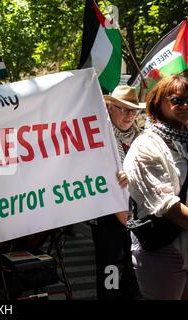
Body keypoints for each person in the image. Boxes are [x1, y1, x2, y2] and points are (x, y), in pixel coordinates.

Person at [124, 73, 188, 300]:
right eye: (177, 100)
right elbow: (166, 206)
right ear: (158, 103)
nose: (185, 105)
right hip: (163, 249)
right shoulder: (146, 145)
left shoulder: (185, 141)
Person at [89, 85, 143, 300]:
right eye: (123, 109)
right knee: (110, 266)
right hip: (107, 215)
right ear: (110, 108)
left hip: (136, 213)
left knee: (134, 266)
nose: (129, 115)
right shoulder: (98, 137)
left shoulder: (142, 138)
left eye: (133, 110)